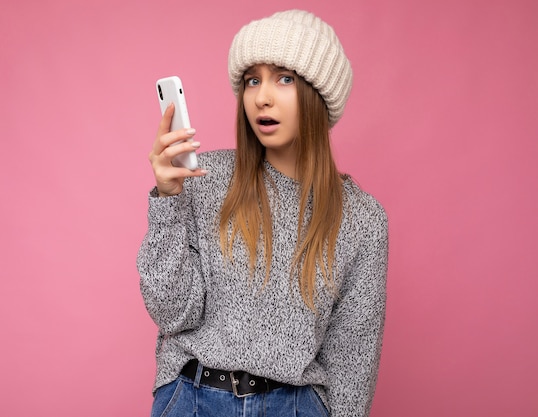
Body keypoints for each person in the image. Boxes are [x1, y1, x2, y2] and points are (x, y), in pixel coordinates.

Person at [137, 9, 388, 417]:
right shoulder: (203, 177)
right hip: (195, 399)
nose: (262, 96)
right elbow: (173, 312)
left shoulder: (361, 219)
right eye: (252, 79)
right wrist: (167, 200)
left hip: (296, 406)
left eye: (284, 78)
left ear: (319, 94)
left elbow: (353, 365)